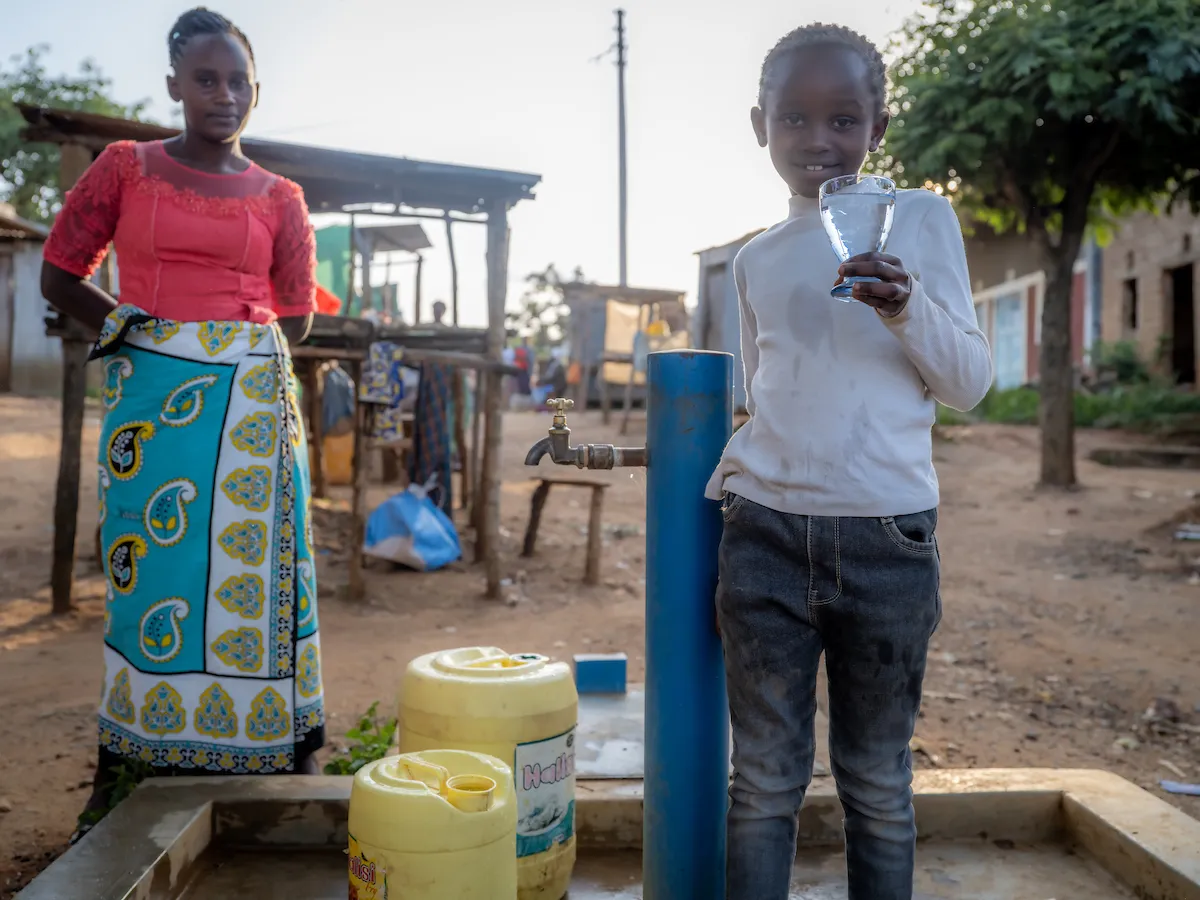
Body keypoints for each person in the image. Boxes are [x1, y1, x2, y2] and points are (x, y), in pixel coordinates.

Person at [705, 23, 992, 900]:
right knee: (760, 783)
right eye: (795, 118)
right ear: (761, 125)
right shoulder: (753, 259)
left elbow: (970, 383)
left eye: (842, 118)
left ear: (877, 123)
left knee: (875, 780)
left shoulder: (918, 218)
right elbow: (766, 393)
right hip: (764, 541)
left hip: (886, 543)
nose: (818, 140)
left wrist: (905, 306)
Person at [40, 7, 326, 839]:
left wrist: (226, 340)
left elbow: (297, 318)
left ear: (256, 90)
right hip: (152, 408)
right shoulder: (125, 169)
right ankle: (124, 763)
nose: (224, 94)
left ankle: (288, 755)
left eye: (238, 81)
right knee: (146, 576)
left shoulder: (281, 198)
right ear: (174, 85)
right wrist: (144, 333)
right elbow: (62, 275)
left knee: (269, 577)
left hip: (251, 416)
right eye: (206, 78)